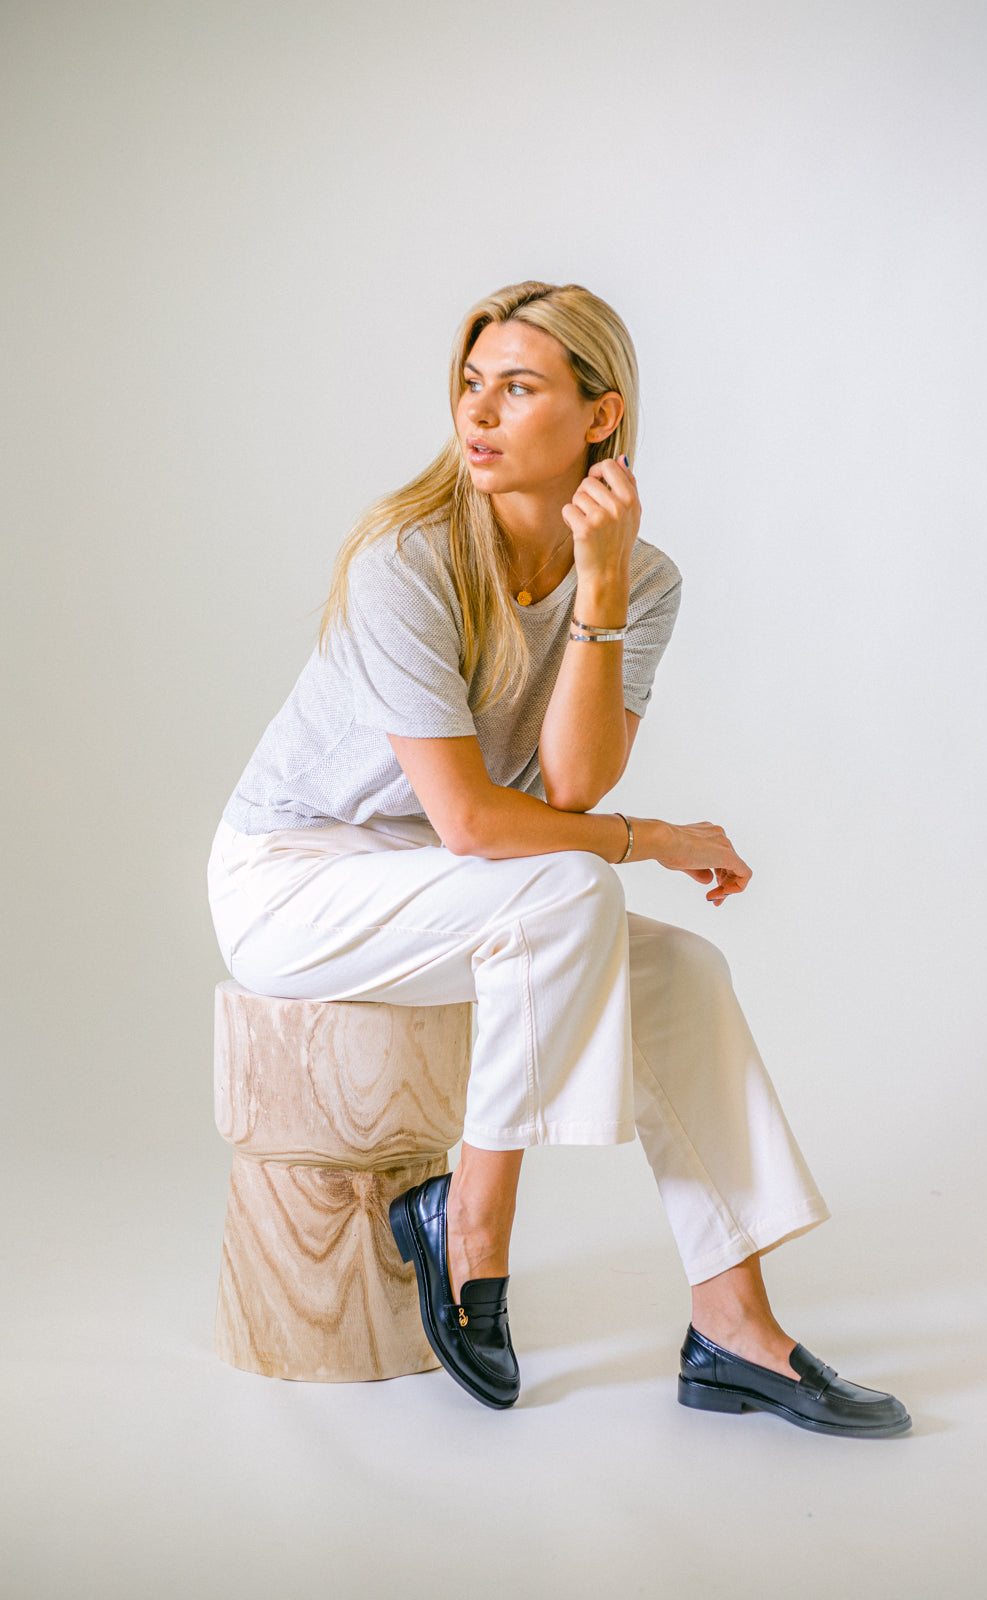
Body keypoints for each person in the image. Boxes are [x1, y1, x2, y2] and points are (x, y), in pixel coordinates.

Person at [207, 279, 910, 1436]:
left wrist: (601, 581)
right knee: (572, 882)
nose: (478, 413)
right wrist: (652, 841)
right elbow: (474, 822)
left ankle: (733, 1325)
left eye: (517, 386)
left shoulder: (644, 576)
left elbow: (571, 785)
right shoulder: (406, 558)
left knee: (681, 972)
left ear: (599, 415)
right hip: (294, 878)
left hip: (462, 889)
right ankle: (471, 1226)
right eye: (469, 384)